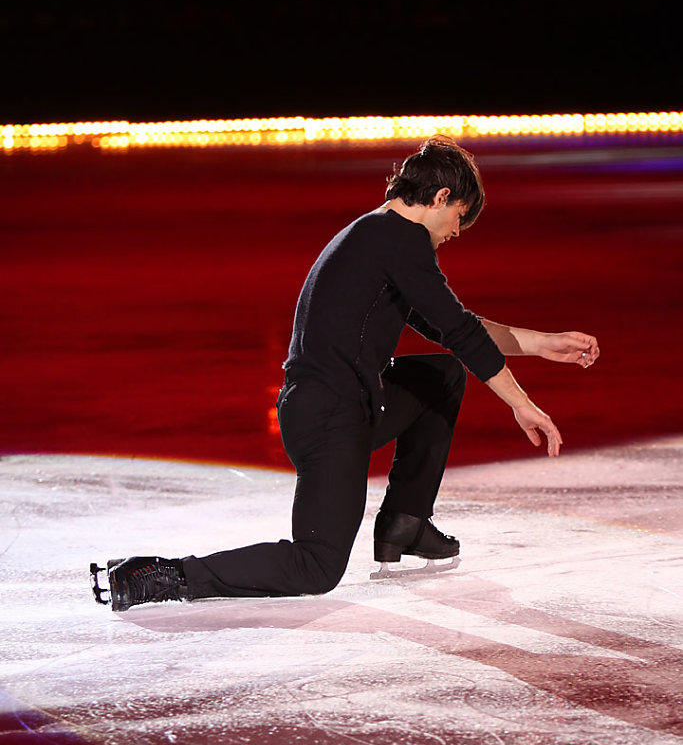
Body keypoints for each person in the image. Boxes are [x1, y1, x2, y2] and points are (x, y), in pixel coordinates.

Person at [97, 136, 599, 611]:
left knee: (442, 375)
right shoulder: (400, 242)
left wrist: (543, 343)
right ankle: (161, 575)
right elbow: (462, 330)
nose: (456, 232)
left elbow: (451, 327)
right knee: (315, 566)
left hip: (345, 405)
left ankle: (406, 521)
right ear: (441, 195)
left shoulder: (377, 236)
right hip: (329, 417)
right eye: (458, 217)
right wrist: (522, 403)